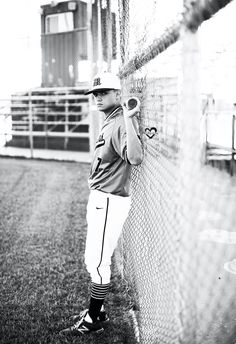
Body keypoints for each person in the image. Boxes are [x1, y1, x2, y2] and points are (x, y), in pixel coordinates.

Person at [60, 71, 143, 336]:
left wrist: (129, 120)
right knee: (92, 259)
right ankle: (100, 311)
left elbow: (136, 158)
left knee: (97, 261)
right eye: (95, 93)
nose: (97, 97)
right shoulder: (110, 119)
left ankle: (93, 319)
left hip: (109, 201)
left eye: (103, 92)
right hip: (101, 198)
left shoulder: (120, 121)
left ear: (117, 95)